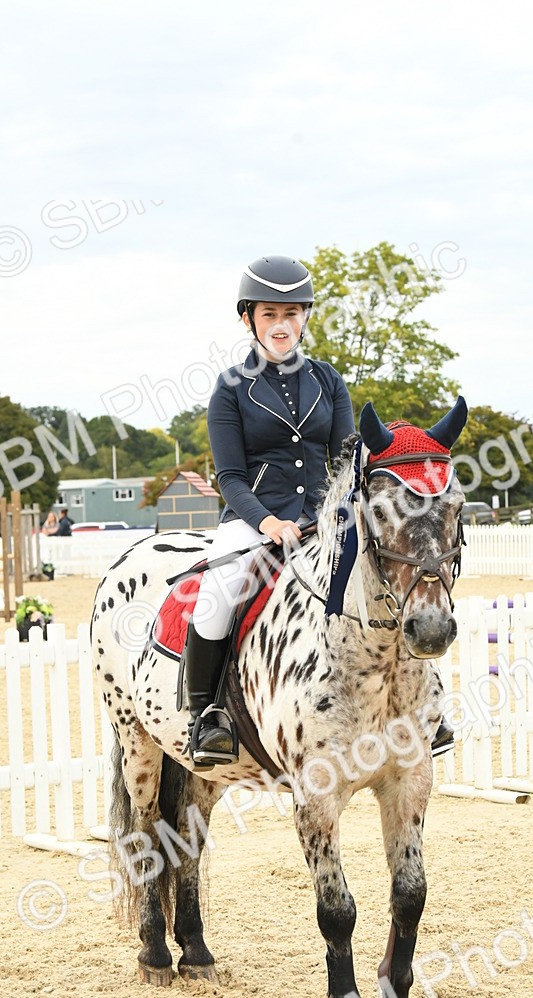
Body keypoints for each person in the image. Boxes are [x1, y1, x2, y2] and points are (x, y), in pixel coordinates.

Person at [184, 255, 355, 767]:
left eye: (292, 313)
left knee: (386, 579)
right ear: (248, 320)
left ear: (304, 317)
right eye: (269, 314)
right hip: (254, 521)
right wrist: (269, 522)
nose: (281, 325)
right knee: (215, 597)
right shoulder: (231, 388)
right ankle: (206, 716)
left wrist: (338, 514)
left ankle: (421, 709)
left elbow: (345, 458)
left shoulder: (328, 381)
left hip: (323, 519)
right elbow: (230, 477)